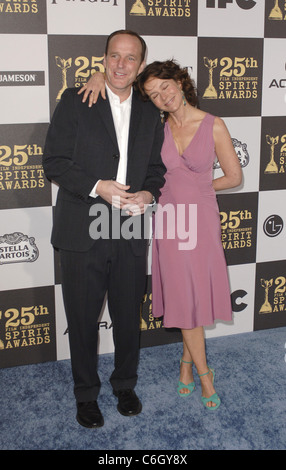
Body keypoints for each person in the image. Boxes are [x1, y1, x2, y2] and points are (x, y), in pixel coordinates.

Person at [80, 58, 242, 411]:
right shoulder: (155, 127)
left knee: (194, 294)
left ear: (181, 83)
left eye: (165, 86)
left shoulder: (213, 125)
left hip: (200, 219)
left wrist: (198, 188)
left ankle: (194, 369)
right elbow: (119, 87)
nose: (162, 96)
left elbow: (234, 177)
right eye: (152, 93)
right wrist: (97, 74)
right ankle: (200, 372)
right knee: (186, 296)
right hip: (170, 221)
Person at [43, 30, 166, 428]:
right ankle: (86, 395)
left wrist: (148, 193)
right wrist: (98, 186)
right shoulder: (76, 100)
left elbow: (156, 171)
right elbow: (55, 162)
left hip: (130, 227)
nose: (120, 65)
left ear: (140, 66)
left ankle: (125, 384)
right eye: (115, 56)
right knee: (81, 319)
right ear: (104, 59)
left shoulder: (151, 112)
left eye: (130, 59)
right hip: (83, 226)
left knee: (129, 315)